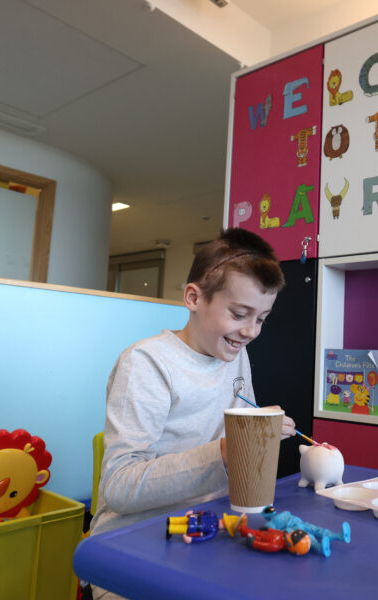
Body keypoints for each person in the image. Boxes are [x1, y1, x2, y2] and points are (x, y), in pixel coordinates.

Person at [89, 228, 295, 599]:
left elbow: (237, 447)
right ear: (193, 297)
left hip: (208, 532)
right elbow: (119, 488)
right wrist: (225, 452)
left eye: (261, 319)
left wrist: (260, 437)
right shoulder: (147, 363)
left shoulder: (234, 355)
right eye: (239, 314)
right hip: (133, 544)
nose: (250, 332)